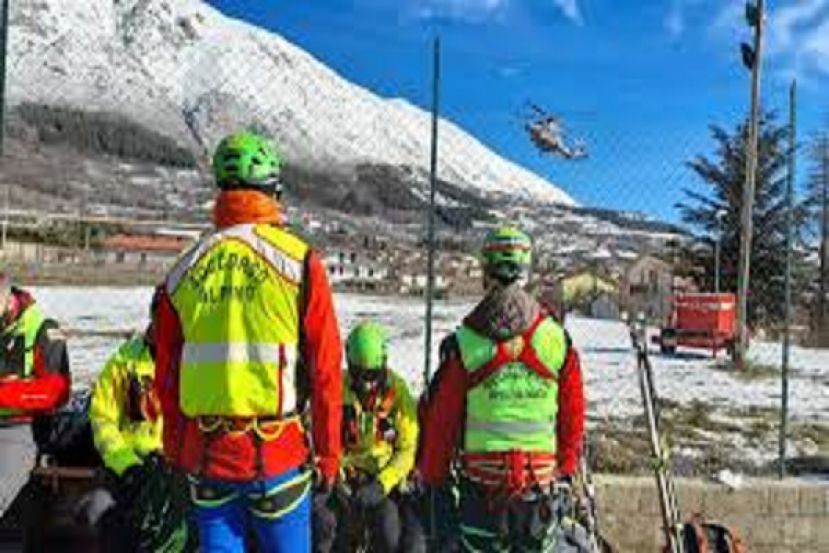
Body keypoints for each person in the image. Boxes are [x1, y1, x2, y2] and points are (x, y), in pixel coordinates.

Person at [152, 130, 343, 553]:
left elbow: (166, 375)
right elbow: (327, 369)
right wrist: (330, 454)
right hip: (278, 453)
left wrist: (175, 449)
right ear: (273, 192)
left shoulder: (182, 271)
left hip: (207, 456)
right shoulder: (299, 262)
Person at [417, 226, 586, 552]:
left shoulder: (464, 343)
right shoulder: (556, 340)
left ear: (485, 271)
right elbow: (573, 415)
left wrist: (434, 480)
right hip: (538, 492)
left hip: (482, 494)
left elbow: (441, 423)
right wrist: (564, 468)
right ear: (527, 271)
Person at [89, 305, 194, 552]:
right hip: (129, 466)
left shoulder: (196, 361)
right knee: (103, 514)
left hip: (179, 470)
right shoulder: (125, 360)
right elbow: (102, 417)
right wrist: (126, 464)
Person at [315, 322, 424, 553]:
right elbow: (324, 436)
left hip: (381, 481)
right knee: (324, 526)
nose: (366, 384)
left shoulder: (398, 393)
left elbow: (407, 448)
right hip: (342, 480)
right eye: (359, 374)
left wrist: (382, 485)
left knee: (389, 532)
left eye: (373, 375)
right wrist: (337, 477)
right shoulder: (336, 388)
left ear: (384, 364)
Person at [0, 273, 70, 518]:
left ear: (8, 299)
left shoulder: (43, 329)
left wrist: (4, 394)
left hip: (20, 430)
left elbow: (56, 392)